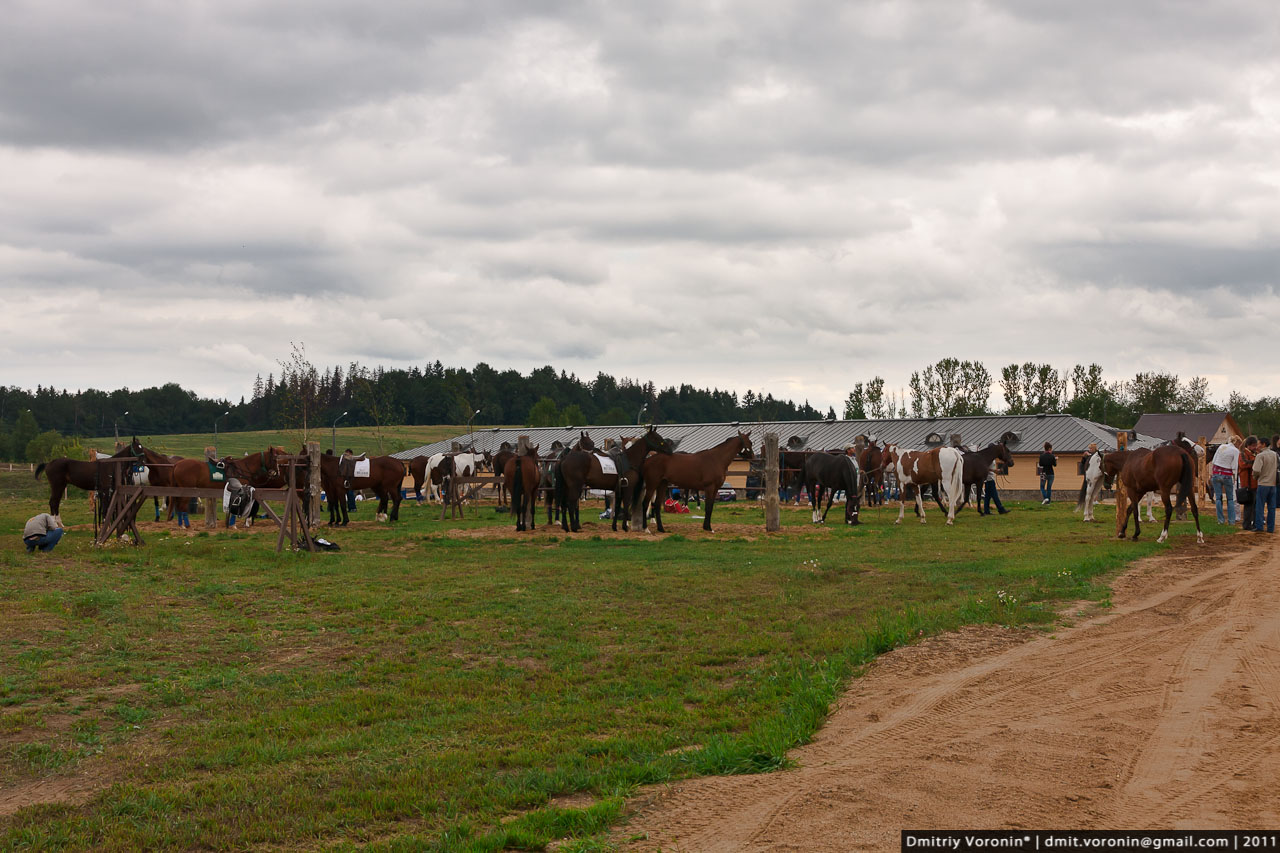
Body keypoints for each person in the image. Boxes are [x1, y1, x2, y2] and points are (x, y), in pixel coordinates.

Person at [1209, 436, 1241, 525]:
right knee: (1230, 499)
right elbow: (1235, 466)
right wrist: (1235, 478)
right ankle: (1231, 521)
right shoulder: (1236, 451)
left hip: (1216, 473)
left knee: (1218, 498)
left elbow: (1214, 460)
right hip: (1227, 474)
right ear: (1237, 443)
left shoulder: (1221, 446)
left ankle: (1220, 520)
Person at [1253, 437, 1277, 534]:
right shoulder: (1274, 454)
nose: (1257, 446)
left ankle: (1259, 526)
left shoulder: (1260, 456)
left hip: (1263, 483)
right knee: (1271, 507)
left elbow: (1256, 470)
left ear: (1263, 444)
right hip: (1273, 483)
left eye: (1258, 444)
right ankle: (1270, 528)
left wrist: (1255, 477)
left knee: (1260, 506)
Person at [1239, 436, 1259, 531]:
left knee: (1254, 506)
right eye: (1253, 445)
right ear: (1248, 445)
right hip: (1247, 484)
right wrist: (1255, 461)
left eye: (1256, 445)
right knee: (1248, 506)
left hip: (1255, 484)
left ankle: (1253, 523)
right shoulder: (1243, 454)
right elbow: (1243, 464)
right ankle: (1246, 525)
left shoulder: (1254, 454)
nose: (1255, 447)